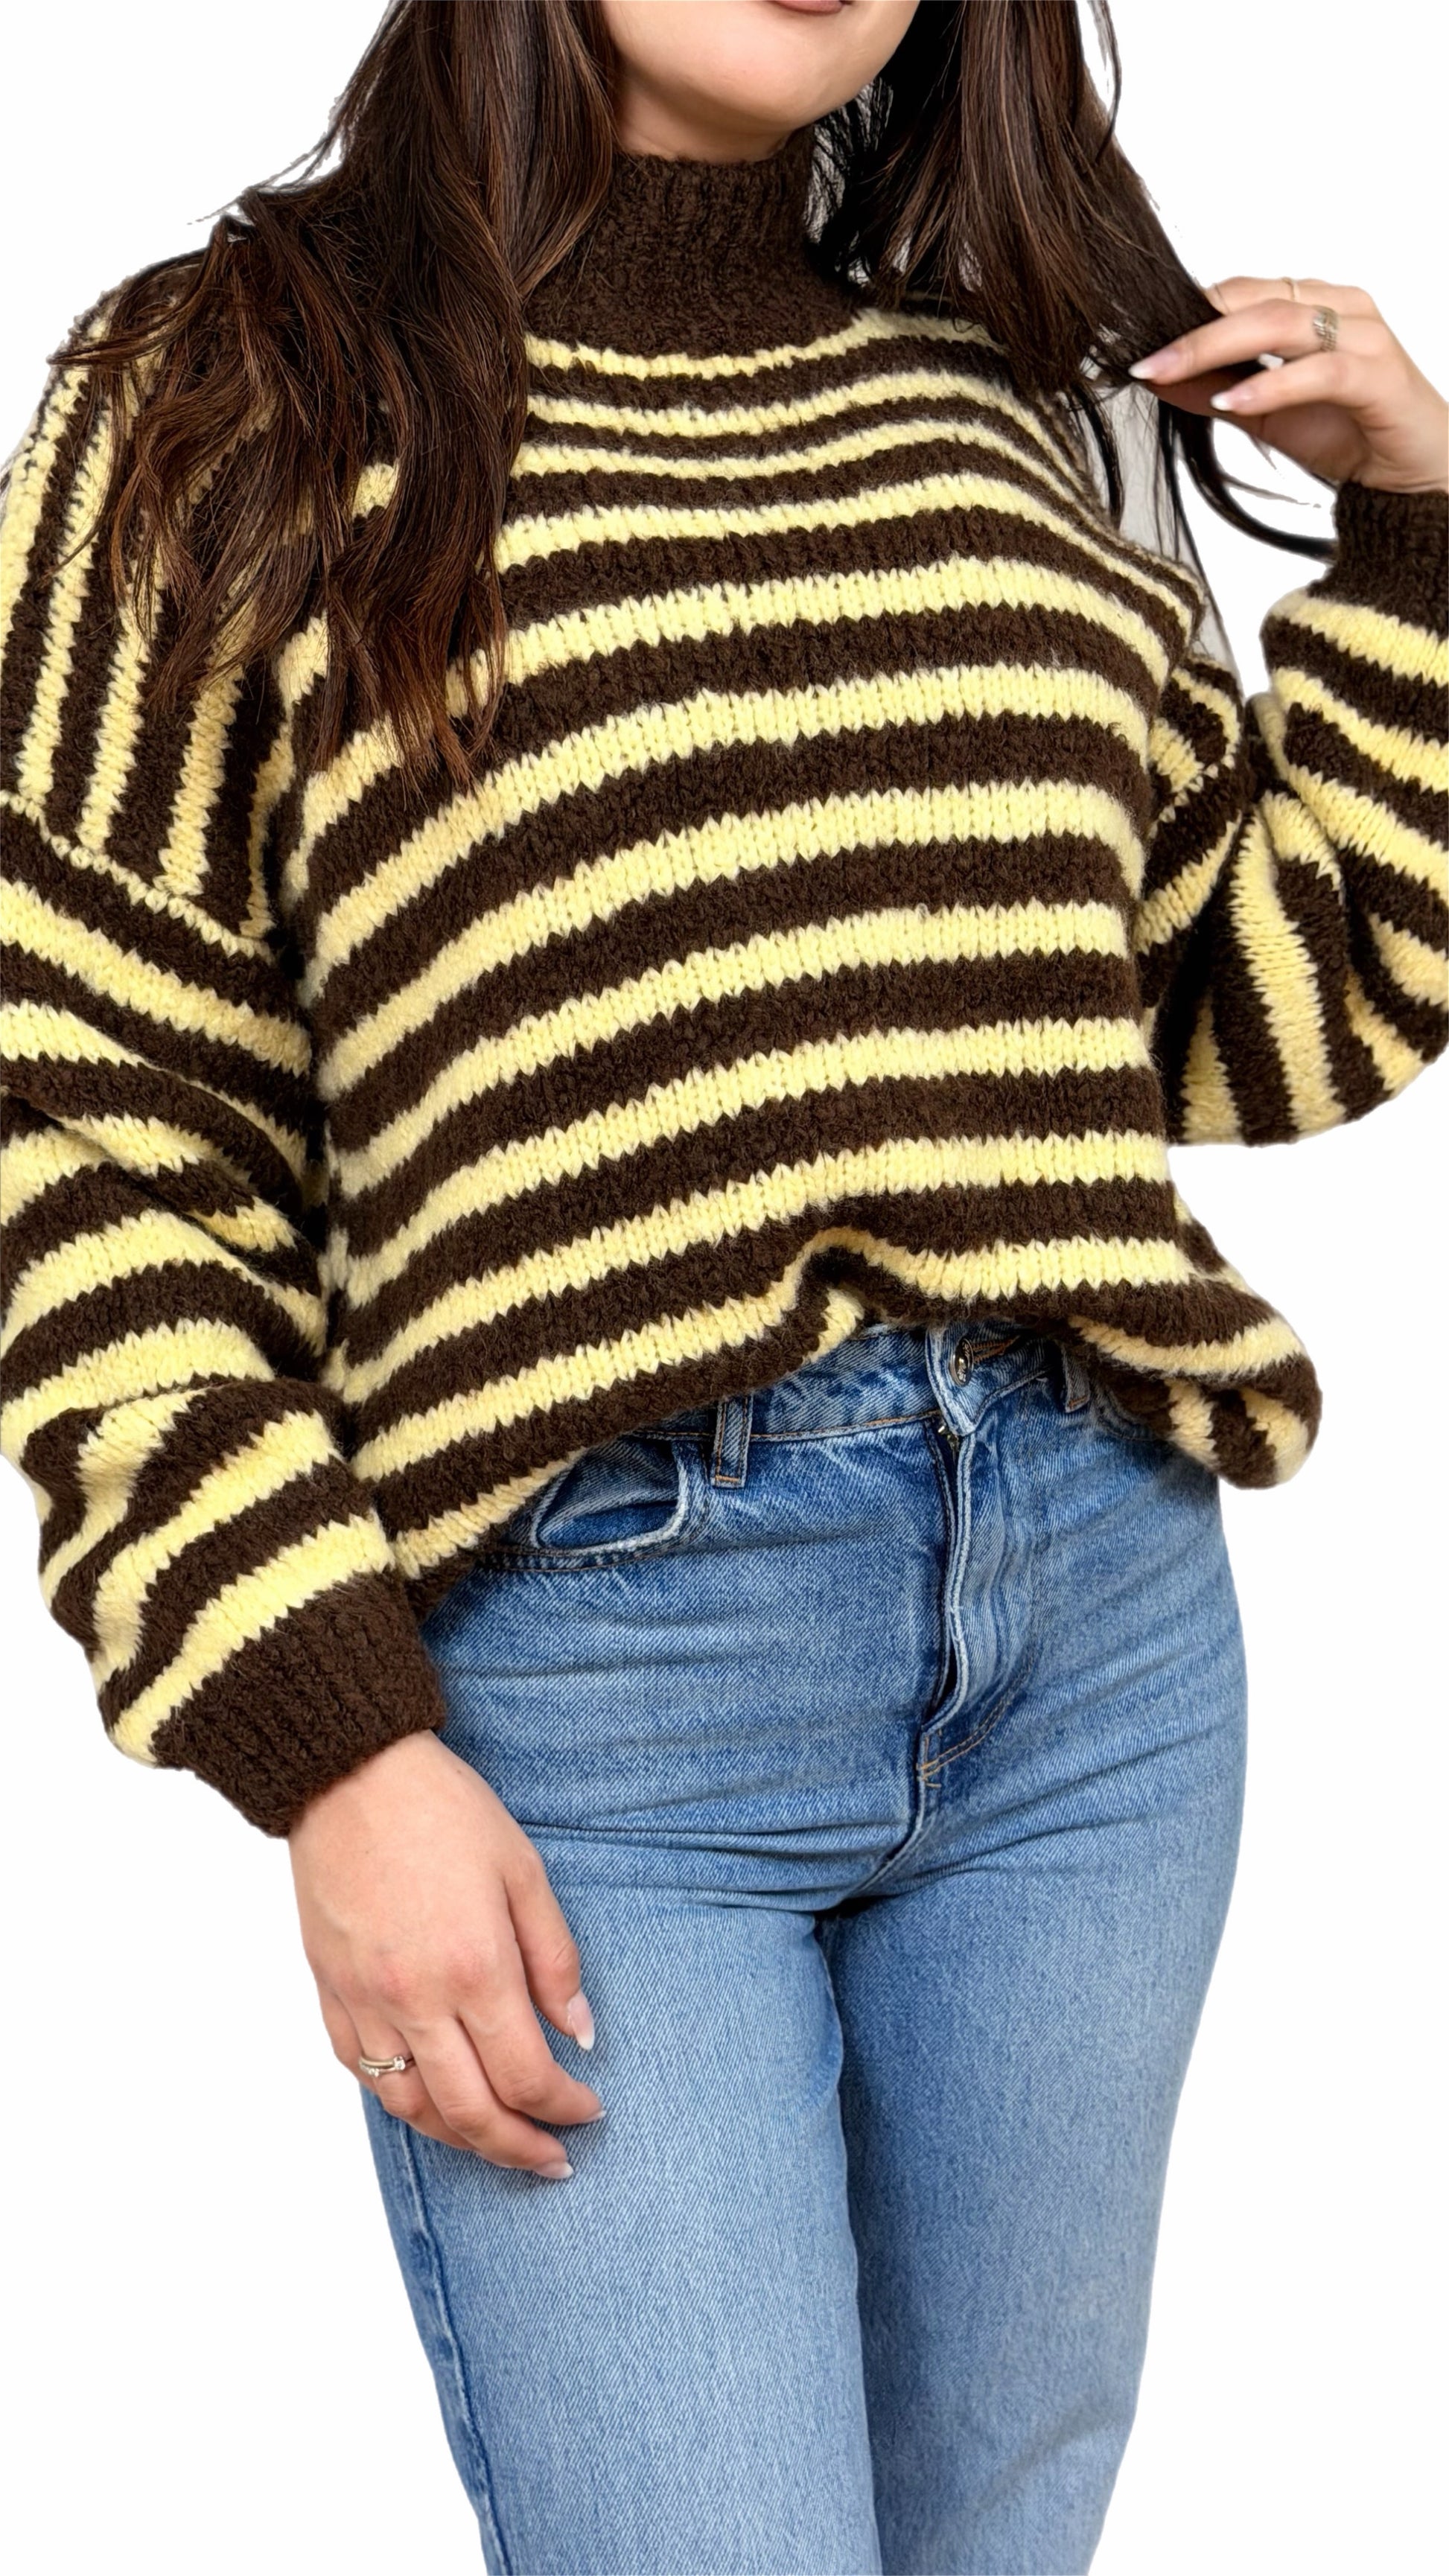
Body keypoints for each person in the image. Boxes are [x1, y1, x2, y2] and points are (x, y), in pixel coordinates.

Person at [1, 1, 1444, 2568]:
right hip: (588, 1690)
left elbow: (1263, 998)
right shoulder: (228, 385)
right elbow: (79, 1125)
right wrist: (328, 1742)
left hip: (1094, 1642)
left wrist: (1422, 529)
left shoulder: (1009, 399)